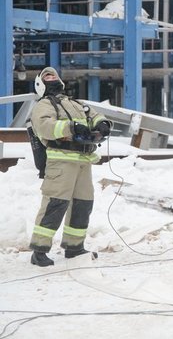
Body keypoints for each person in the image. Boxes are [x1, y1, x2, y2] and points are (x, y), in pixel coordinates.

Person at [29, 67, 111, 267]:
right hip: (61, 161)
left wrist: (103, 124)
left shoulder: (75, 103)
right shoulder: (44, 105)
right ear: (40, 84)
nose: (51, 77)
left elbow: (94, 115)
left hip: (83, 161)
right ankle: (39, 250)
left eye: (53, 75)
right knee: (55, 204)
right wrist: (70, 127)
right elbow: (45, 127)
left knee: (83, 204)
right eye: (47, 76)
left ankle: (74, 247)